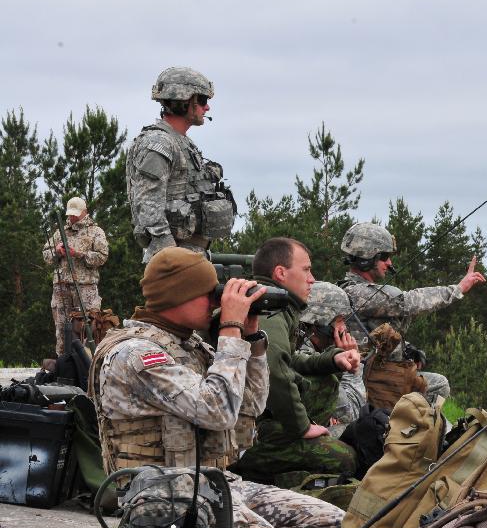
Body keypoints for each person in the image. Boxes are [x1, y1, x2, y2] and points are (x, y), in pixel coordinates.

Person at [89, 247, 343, 528]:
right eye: (208, 294)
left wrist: (251, 339)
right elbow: (216, 411)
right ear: (179, 296)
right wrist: (230, 331)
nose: (215, 302)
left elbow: (250, 407)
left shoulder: (191, 345)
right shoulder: (136, 355)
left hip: (214, 484)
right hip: (161, 497)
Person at [228, 237, 358, 483]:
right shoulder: (269, 311)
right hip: (242, 433)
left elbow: (288, 359)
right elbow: (275, 370)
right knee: (347, 459)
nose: (312, 278)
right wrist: (302, 428)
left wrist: (333, 359)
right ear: (280, 273)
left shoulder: (278, 307)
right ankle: (261, 474)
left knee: (325, 379)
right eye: (306, 270)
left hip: (252, 417)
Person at [338, 222, 486, 401]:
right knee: (438, 385)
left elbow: (372, 334)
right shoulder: (357, 292)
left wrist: (407, 349)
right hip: (369, 380)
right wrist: (458, 288)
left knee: (433, 382)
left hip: (377, 373)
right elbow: (408, 302)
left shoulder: (358, 291)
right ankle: (405, 427)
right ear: (366, 258)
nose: (389, 263)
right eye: (384, 257)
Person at [126, 67, 236, 262]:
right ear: (184, 101)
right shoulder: (159, 143)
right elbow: (148, 207)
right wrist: (170, 258)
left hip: (191, 255)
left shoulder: (182, 142)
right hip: (176, 259)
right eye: (202, 100)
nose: (207, 107)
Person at [297, 281, 367, 437]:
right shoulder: (310, 358)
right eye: (340, 320)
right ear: (321, 324)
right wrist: (351, 368)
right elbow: (354, 413)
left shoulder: (300, 345)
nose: (345, 328)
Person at [41, 196, 108, 355]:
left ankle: (88, 364)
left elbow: (102, 257)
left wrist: (78, 254)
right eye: (69, 214)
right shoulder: (60, 233)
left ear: (84, 212)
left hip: (85, 287)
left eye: (75, 214)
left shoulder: (95, 231)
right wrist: (56, 251)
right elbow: (46, 255)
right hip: (61, 286)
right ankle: (64, 365)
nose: (71, 217)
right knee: (62, 327)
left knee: (87, 327)